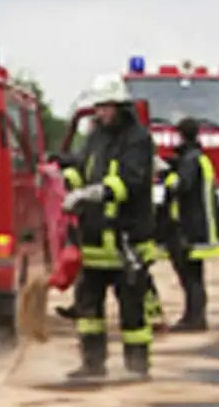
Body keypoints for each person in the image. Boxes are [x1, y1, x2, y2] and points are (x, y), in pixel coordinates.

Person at [60, 74, 158, 379]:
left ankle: (137, 366)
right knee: (88, 306)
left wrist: (91, 193)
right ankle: (92, 363)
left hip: (126, 237)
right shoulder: (95, 137)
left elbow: (131, 180)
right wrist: (64, 177)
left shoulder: (138, 139)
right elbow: (82, 169)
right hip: (94, 237)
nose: (99, 113)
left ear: (120, 105)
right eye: (97, 107)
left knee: (132, 308)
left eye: (104, 107)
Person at [163, 117, 219, 331]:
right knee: (195, 274)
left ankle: (194, 318)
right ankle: (195, 316)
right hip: (202, 225)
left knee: (190, 275)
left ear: (181, 134)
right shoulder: (199, 157)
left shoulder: (190, 160)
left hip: (191, 226)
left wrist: (168, 178)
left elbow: (182, 186)